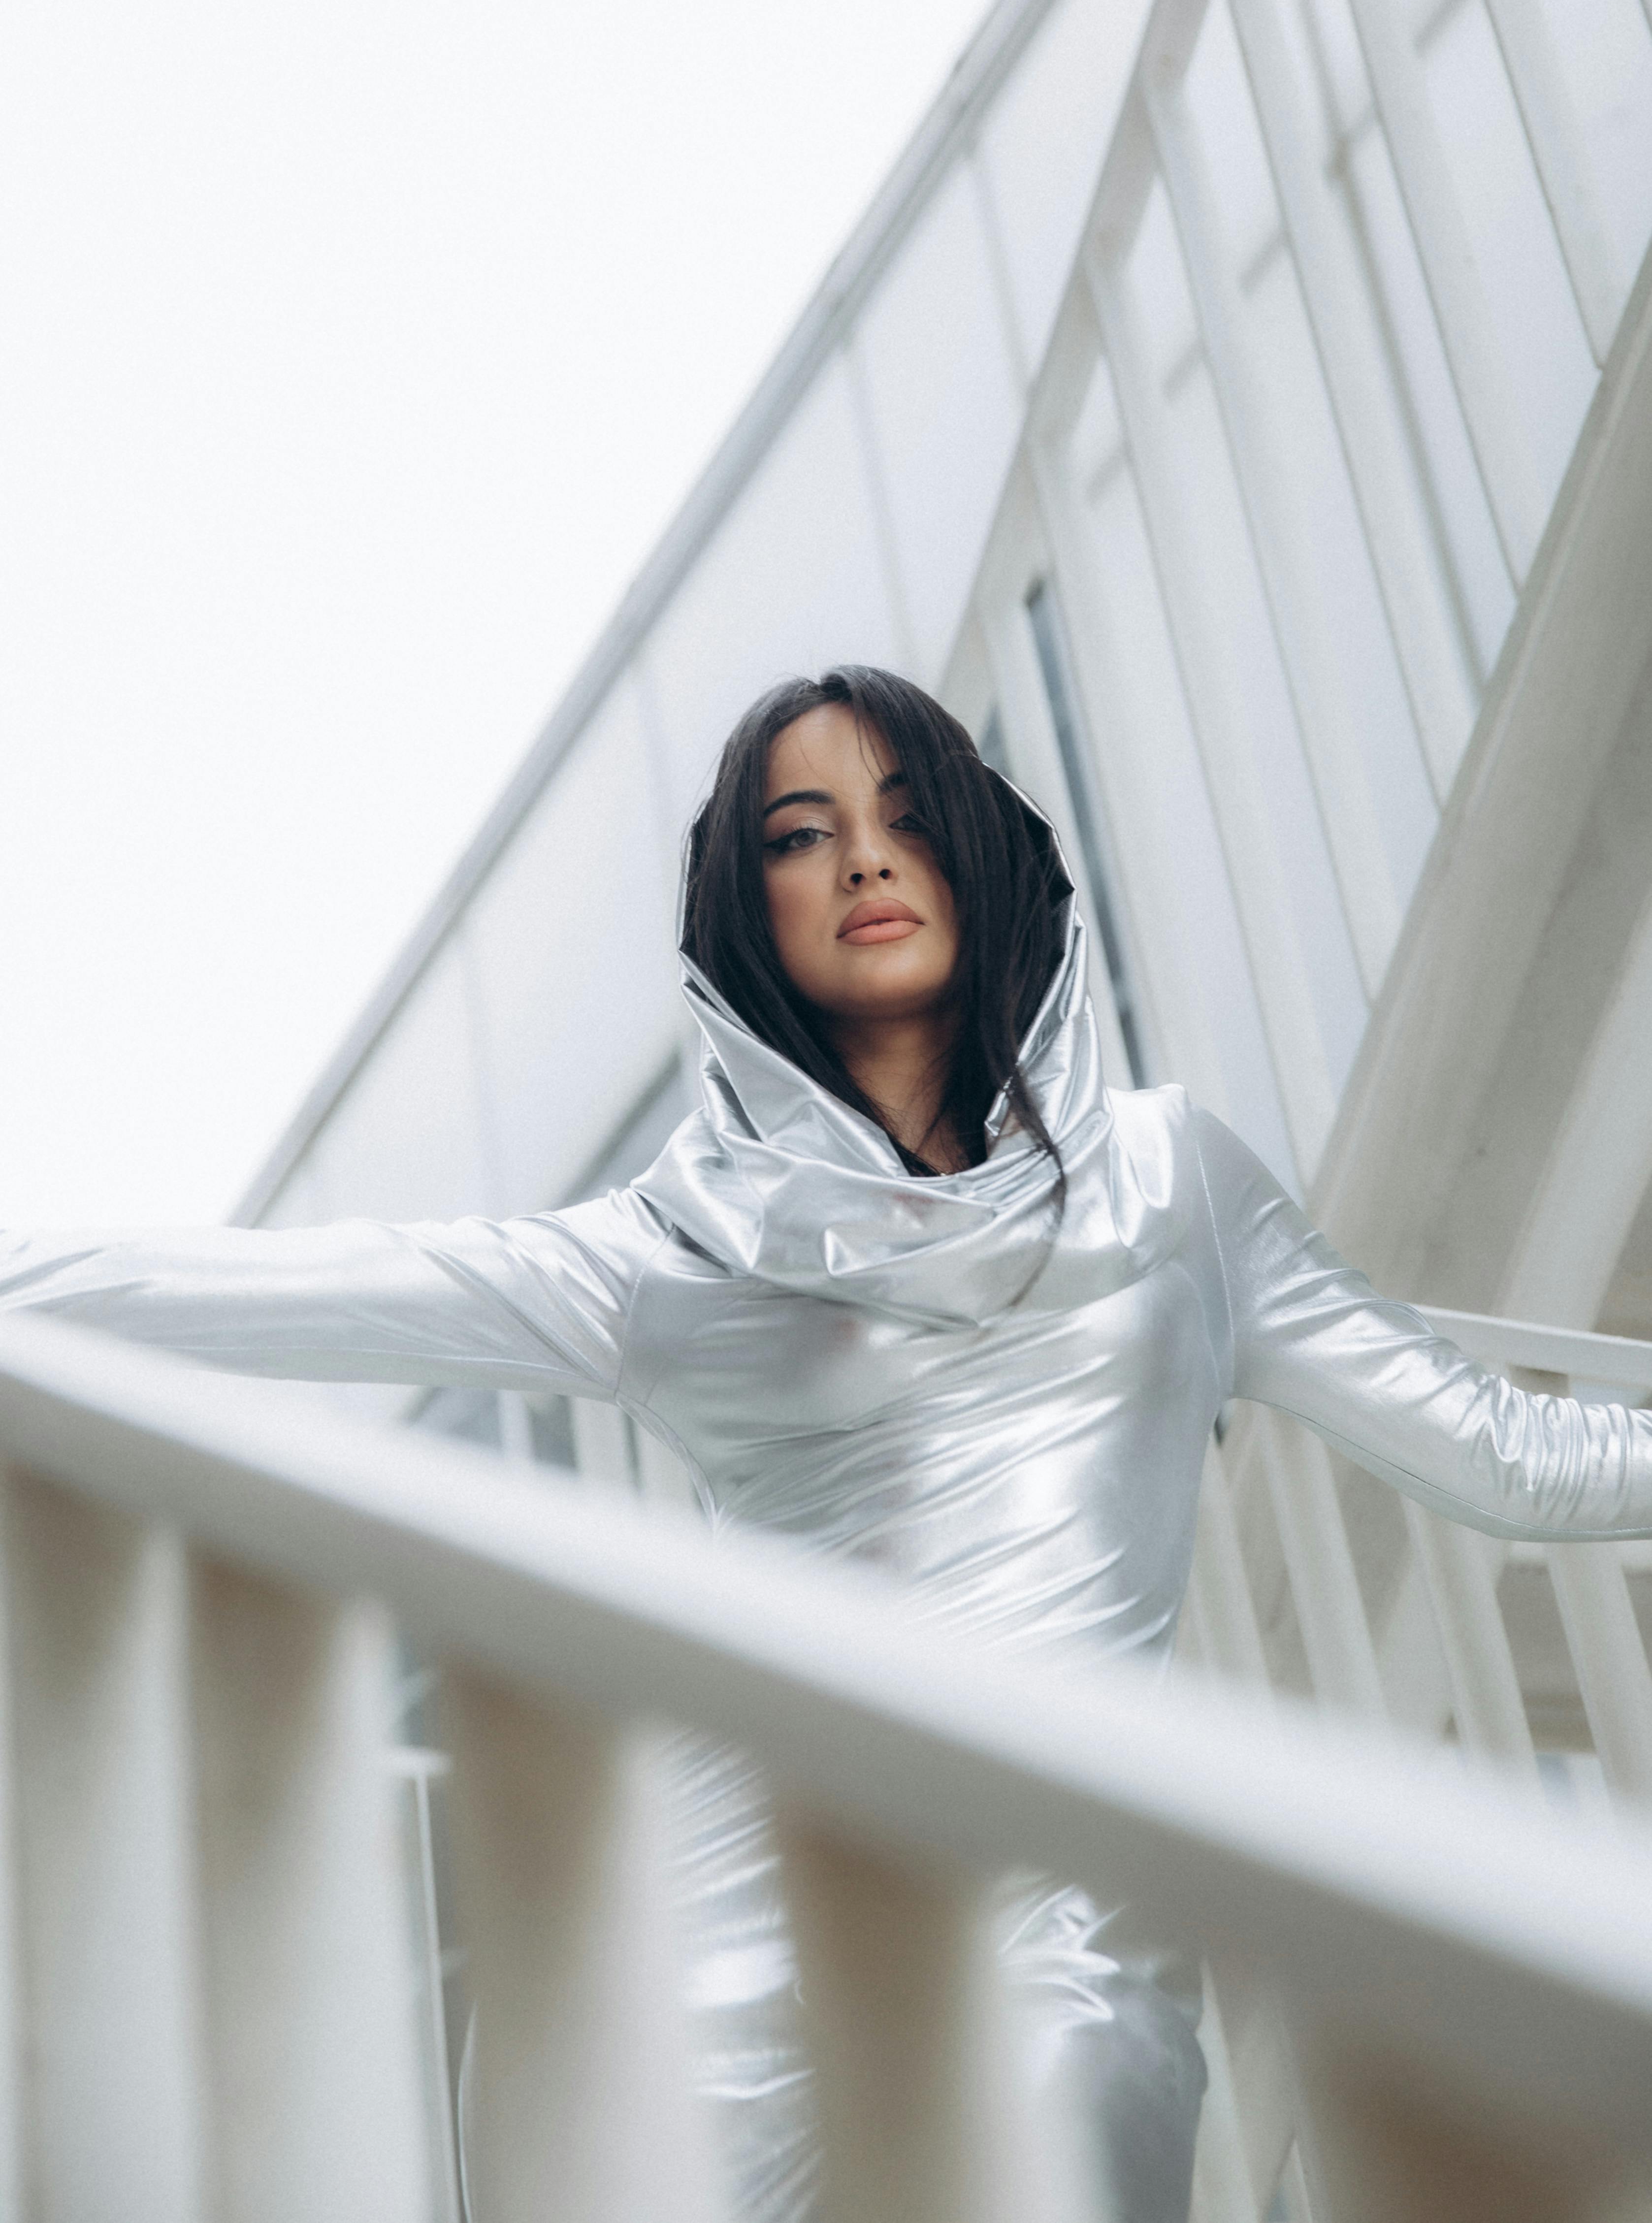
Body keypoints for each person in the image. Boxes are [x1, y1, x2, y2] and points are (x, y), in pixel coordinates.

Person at [5, 665, 1652, 2223]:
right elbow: (305, 1289)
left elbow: (1505, 1457)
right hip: (711, 1961)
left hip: (1057, 1933)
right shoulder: (677, 1253)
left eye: (906, 810)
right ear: (750, 911)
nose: (865, 855)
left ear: (980, 854)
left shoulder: (1175, 1183)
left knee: (1076, 2096)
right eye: (801, 834)